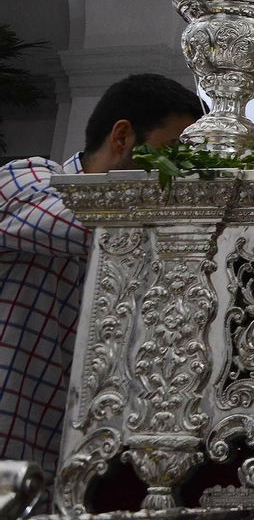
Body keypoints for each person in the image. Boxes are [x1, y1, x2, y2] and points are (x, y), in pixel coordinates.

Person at [0, 74, 203, 483]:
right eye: (171, 153)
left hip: (52, 464)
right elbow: (85, 226)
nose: (177, 172)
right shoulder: (24, 180)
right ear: (123, 136)